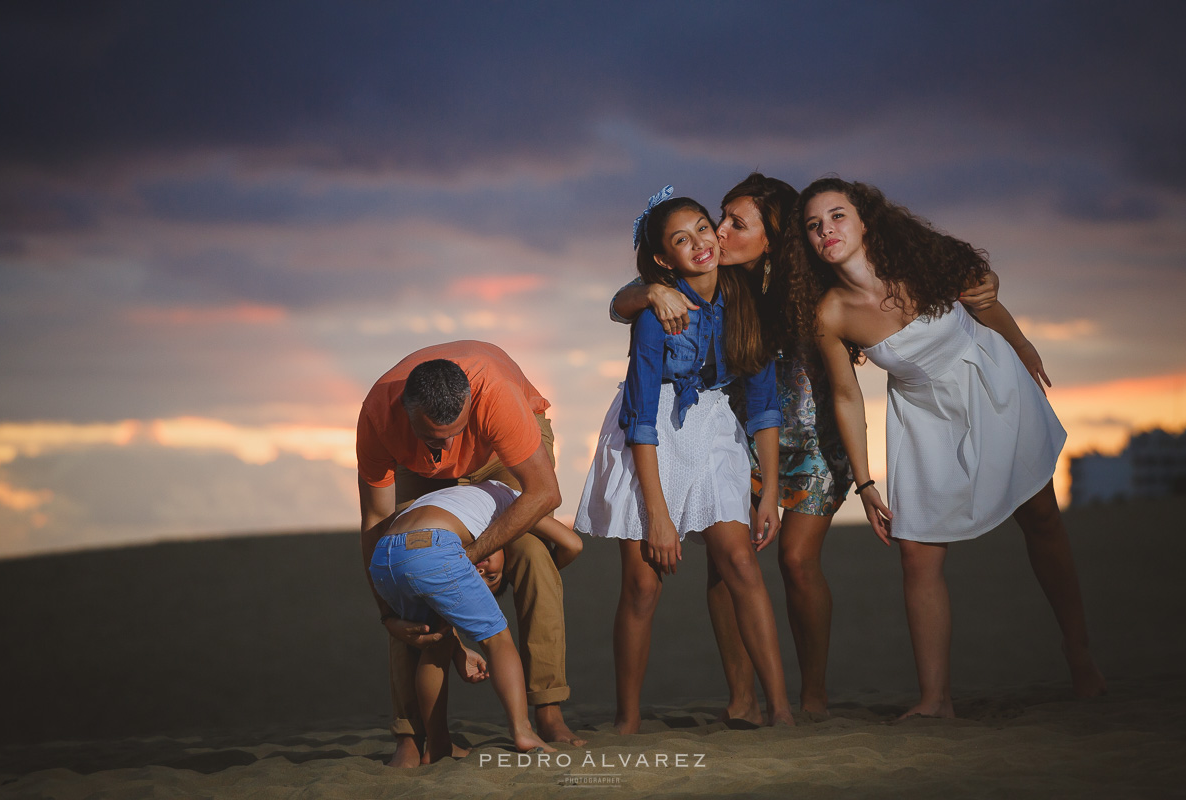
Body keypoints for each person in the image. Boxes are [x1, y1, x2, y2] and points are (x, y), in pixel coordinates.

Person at [609, 174, 1002, 718]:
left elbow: (908, 267)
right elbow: (629, 301)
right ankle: (742, 699)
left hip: (817, 437)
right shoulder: (718, 282)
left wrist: (981, 280)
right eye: (716, 220)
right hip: (746, 434)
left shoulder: (813, 279)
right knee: (726, 564)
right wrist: (648, 288)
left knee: (796, 559)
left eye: (734, 223)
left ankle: (812, 695)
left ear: (771, 236)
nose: (719, 233)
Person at [798, 177, 1106, 718]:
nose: (827, 230)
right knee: (916, 552)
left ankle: (1079, 654)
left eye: (838, 215)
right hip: (922, 417)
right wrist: (867, 484)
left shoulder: (918, 258)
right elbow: (847, 396)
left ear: (865, 219)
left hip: (989, 384)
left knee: (1040, 517)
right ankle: (935, 699)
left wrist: (1022, 344)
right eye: (814, 225)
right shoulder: (831, 313)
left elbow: (984, 298)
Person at [576, 188, 796, 734]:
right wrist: (657, 514)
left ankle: (782, 712)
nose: (702, 242)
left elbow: (765, 404)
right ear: (662, 259)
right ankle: (627, 721)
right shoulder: (657, 311)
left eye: (704, 228)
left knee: (741, 563)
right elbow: (641, 415)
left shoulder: (746, 301)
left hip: (716, 428)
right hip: (648, 440)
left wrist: (768, 490)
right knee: (643, 586)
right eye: (682, 238)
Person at [357, 342, 585, 767]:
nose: (448, 452)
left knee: (534, 556)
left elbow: (545, 493)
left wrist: (475, 555)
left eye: (453, 434)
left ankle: (548, 710)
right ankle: (413, 735)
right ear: (406, 414)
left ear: (470, 406)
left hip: (502, 448)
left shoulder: (494, 396)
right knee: (413, 601)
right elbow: (375, 521)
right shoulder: (378, 417)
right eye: (432, 437)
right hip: (417, 469)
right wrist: (389, 616)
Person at [363, 480, 582, 763]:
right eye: (492, 577)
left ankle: (438, 743)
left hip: (383, 558)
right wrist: (551, 564)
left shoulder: (449, 500)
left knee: (435, 644)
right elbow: (574, 543)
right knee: (498, 637)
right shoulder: (509, 497)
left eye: (483, 579)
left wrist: (459, 648)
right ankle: (523, 730)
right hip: (432, 546)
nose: (480, 570)